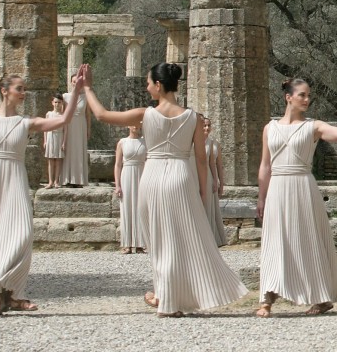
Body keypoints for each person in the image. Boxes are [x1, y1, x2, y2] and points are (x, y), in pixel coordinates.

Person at [78, 62, 247, 317]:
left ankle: (166, 300)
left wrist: (88, 88)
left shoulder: (145, 115)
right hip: (181, 177)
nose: (147, 88)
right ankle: (167, 295)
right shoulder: (194, 118)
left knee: (159, 240)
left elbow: (102, 115)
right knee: (180, 240)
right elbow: (201, 161)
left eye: (148, 83)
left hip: (153, 177)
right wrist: (203, 194)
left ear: (159, 85)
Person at [0, 73, 85, 315]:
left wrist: (76, 91)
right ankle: (4, 297)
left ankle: (9, 289)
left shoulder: (26, 122)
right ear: (5, 91)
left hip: (15, 176)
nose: (23, 93)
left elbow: (64, 120)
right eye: (19, 89)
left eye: (24, 89)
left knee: (23, 234)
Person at [255, 78, 337, 318]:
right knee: (276, 240)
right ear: (288, 97)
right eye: (302, 95)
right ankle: (267, 298)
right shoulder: (269, 128)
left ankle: (321, 298)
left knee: (308, 240)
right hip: (277, 190)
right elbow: (265, 166)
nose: (306, 99)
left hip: (303, 186)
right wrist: (261, 197)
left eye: (308, 95)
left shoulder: (314, 127)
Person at [114, 124, 147, 255]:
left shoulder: (145, 142)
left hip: (141, 174)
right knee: (127, 208)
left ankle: (140, 244)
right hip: (127, 174)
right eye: (133, 123)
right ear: (128, 125)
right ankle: (127, 244)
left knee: (141, 208)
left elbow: (148, 161)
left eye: (138, 123)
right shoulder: (122, 142)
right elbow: (117, 165)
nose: (136, 126)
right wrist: (117, 185)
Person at [60, 73, 91, 187]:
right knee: (68, 150)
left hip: (81, 124)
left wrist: (88, 129)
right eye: (74, 81)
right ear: (71, 83)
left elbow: (88, 115)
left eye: (78, 81)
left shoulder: (85, 97)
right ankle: (67, 179)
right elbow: (62, 113)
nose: (76, 83)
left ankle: (78, 180)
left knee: (79, 150)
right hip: (69, 124)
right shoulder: (65, 96)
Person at [201, 117, 227, 247]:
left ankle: (211, 236)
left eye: (208, 125)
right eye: (204, 125)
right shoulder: (193, 142)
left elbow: (218, 164)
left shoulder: (214, 143)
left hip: (210, 177)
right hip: (197, 175)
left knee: (210, 206)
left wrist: (220, 183)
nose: (206, 128)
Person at [42, 93, 66, 189]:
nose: (57, 104)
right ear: (52, 103)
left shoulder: (63, 115)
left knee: (58, 160)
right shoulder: (49, 114)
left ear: (62, 103)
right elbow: (45, 127)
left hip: (59, 136)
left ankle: (57, 181)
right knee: (51, 160)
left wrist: (64, 142)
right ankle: (50, 181)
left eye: (59, 102)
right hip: (50, 136)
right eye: (55, 102)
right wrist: (45, 141)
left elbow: (66, 130)